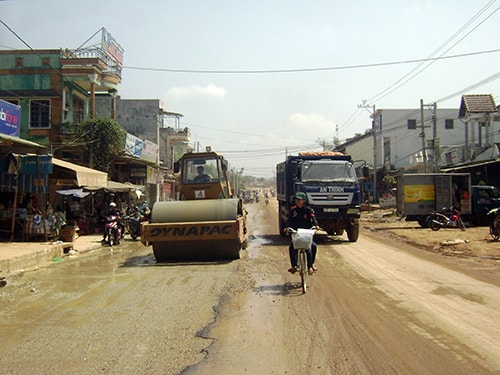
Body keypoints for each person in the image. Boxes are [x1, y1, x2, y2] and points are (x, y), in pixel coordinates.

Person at [284, 192, 319, 275]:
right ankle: (294, 266)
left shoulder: (308, 210)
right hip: (297, 233)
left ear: (304, 200)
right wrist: (287, 227)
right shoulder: (293, 210)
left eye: (299, 199)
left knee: (312, 247)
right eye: (297, 199)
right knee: (292, 247)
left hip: (306, 233)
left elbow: (313, 218)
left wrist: (316, 225)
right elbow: (289, 221)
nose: (298, 201)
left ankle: (310, 266)